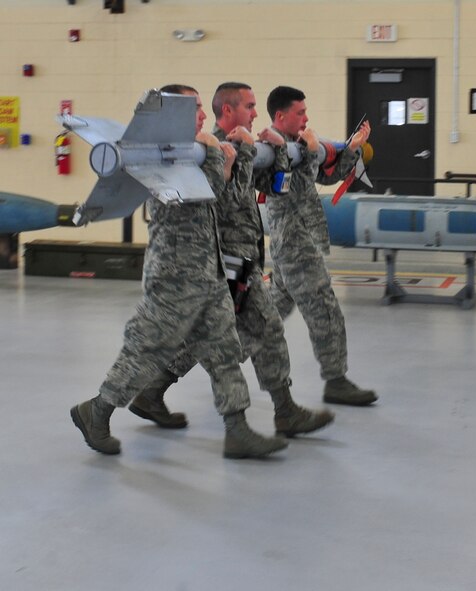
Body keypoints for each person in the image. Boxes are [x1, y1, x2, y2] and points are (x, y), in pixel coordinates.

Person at [70, 85, 288, 459]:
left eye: (202, 108)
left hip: (207, 273)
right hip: (174, 275)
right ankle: (97, 410)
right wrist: (217, 155)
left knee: (224, 351)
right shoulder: (167, 156)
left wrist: (225, 160)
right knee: (146, 348)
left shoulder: (190, 151)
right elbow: (202, 191)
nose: (202, 115)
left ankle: (237, 430)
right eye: (195, 109)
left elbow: (218, 198)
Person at [126, 82, 334, 438]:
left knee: (213, 337)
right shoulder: (212, 151)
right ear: (228, 110)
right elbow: (225, 200)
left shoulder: (242, 147)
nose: (255, 113)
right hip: (227, 261)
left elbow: (278, 188)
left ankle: (151, 390)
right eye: (249, 106)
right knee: (263, 328)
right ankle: (283, 412)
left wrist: (280, 153)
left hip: (243, 258)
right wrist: (246, 154)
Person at [256, 85, 377, 406]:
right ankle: (336, 381)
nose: (306, 118)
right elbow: (291, 186)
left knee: (264, 318)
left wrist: (352, 148)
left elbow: (325, 177)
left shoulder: (296, 144)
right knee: (325, 312)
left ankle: (192, 362)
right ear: (281, 116)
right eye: (300, 113)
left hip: (296, 246)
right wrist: (309, 152)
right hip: (296, 249)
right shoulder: (270, 148)